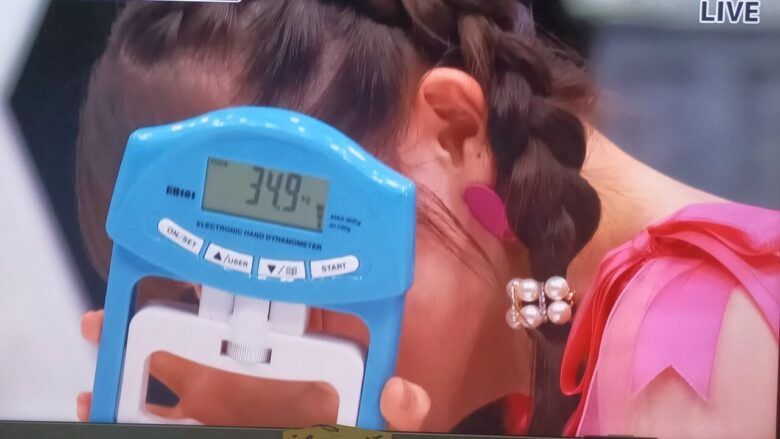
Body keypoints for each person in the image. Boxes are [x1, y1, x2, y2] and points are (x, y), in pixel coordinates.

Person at [74, 1, 780, 437]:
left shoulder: (693, 336)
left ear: (456, 130)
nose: (253, 356)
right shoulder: (536, 369)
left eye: (288, 267)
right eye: (197, 302)